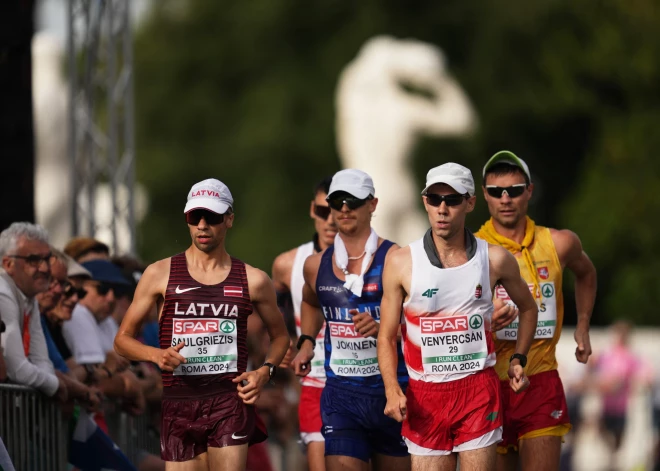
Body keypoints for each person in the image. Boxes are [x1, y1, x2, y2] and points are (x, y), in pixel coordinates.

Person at [113, 178, 290, 471]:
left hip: (228, 401)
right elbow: (122, 340)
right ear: (187, 218)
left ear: (229, 219)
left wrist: (264, 372)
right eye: (195, 216)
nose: (203, 225)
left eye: (213, 217)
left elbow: (281, 338)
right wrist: (156, 355)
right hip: (179, 402)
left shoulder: (254, 280)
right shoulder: (159, 274)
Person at [378, 163, 538, 471]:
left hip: (478, 389)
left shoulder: (494, 259)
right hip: (425, 395)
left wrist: (519, 358)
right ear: (424, 201)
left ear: (470, 202)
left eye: (452, 200)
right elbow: (386, 336)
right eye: (434, 199)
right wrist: (391, 389)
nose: (442, 208)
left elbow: (529, 308)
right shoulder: (400, 262)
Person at [475, 151, 597, 471]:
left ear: (529, 191)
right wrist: (486, 320)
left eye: (514, 190)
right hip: (488, 386)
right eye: (496, 191)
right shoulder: (471, 250)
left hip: (539, 379)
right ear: (483, 195)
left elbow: (587, 274)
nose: (505, 198)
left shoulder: (558, 243)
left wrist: (582, 324)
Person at [292, 169, 410, 471]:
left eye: (353, 201)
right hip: (342, 395)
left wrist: (389, 329)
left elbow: (421, 320)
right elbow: (310, 302)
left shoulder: (397, 258)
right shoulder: (315, 265)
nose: (344, 209)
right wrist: (306, 342)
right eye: (337, 201)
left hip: (393, 392)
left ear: (372, 204)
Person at [271, 176, 336, 471]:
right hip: (316, 380)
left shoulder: (381, 257)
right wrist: (280, 345)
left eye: (337, 210)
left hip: (366, 379)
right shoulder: (288, 264)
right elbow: (269, 312)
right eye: (323, 211)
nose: (331, 220)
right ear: (313, 210)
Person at [0, 222, 67, 400]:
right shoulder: (2, 292)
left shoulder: (29, 294)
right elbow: (17, 369)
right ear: (8, 264)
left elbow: (41, 359)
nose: (45, 268)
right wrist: (56, 385)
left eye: (46, 259)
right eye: (33, 260)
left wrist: (50, 383)